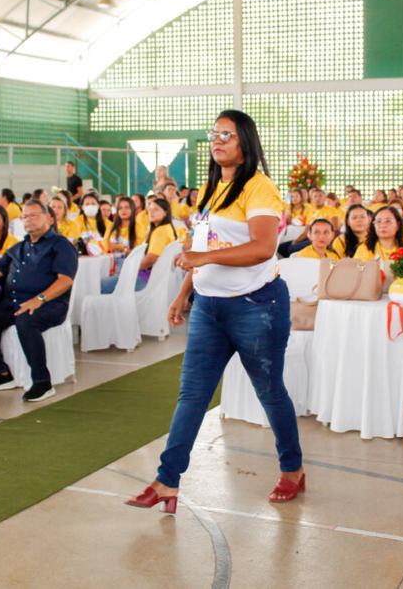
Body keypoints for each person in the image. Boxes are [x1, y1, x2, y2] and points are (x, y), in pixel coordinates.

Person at [126, 110, 304, 513]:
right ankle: (167, 481)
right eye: (214, 133)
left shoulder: (260, 188)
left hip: (256, 306)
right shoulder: (210, 190)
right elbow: (201, 252)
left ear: (245, 142)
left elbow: (262, 247)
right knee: (192, 394)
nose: (218, 140)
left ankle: (292, 469)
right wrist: (183, 295)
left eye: (227, 134)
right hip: (208, 308)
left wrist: (200, 256)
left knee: (270, 393)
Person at [0, 200, 78, 403]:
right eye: (24, 216)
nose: (28, 220)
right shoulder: (18, 247)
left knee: (25, 321)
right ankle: (0, 374)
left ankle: (42, 382)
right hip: (15, 303)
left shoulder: (61, 245)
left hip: (49, 304)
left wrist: (39, 299)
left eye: (34, 215)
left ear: (49, 218)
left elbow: (65, 280)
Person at [105, 198, 179, 293]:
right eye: (150, 209)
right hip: (155, 277)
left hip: (146, 278)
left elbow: (151, 258)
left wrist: (131, 269)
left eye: (156, 209)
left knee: (101, 285)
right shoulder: (167, 228)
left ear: (165, 212)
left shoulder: (160, 231)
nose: (151, 213)